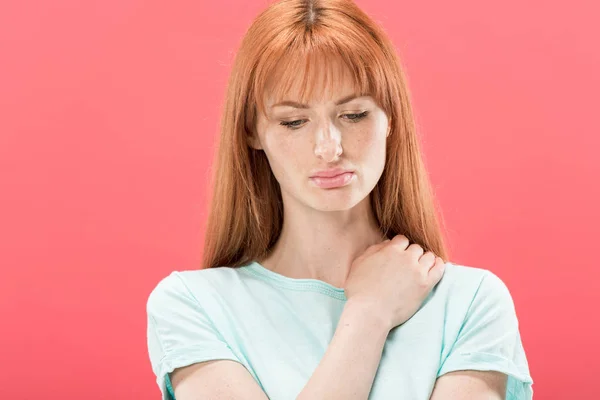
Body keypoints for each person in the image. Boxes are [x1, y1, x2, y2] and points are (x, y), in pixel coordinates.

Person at [145, 0, 534, 398]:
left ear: (390, 119)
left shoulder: (470, 302)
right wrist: (369, 314)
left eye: (353, 115)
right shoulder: (194, 306)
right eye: (294, 121)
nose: (329, 148)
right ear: (253, 132)